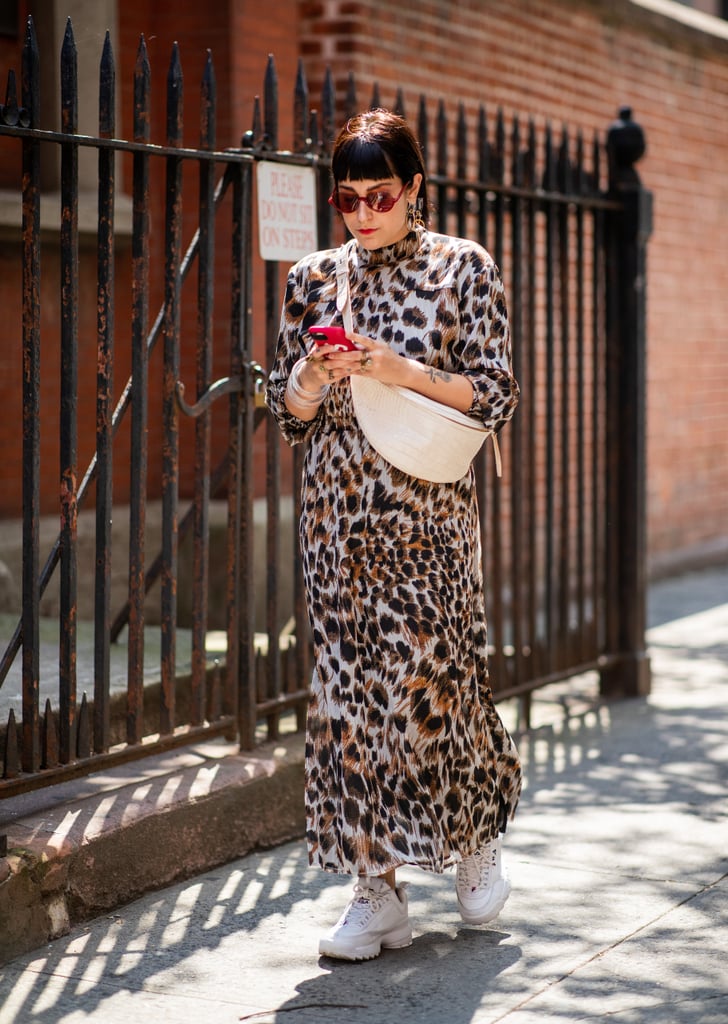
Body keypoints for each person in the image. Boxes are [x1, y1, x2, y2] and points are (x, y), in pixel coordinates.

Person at [265, 109, 522, 962]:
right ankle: (373, 894)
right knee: (346, 707)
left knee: (436, 687)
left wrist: (393, 368)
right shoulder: (312, 279)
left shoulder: (462, 269)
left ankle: (475, 839)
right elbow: (288, 415)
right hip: (336, 524)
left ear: (415, 186)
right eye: (348, 197)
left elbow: (495, 396)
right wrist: (310, 371)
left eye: (382, 194)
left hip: (427, 521)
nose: (364, 212)